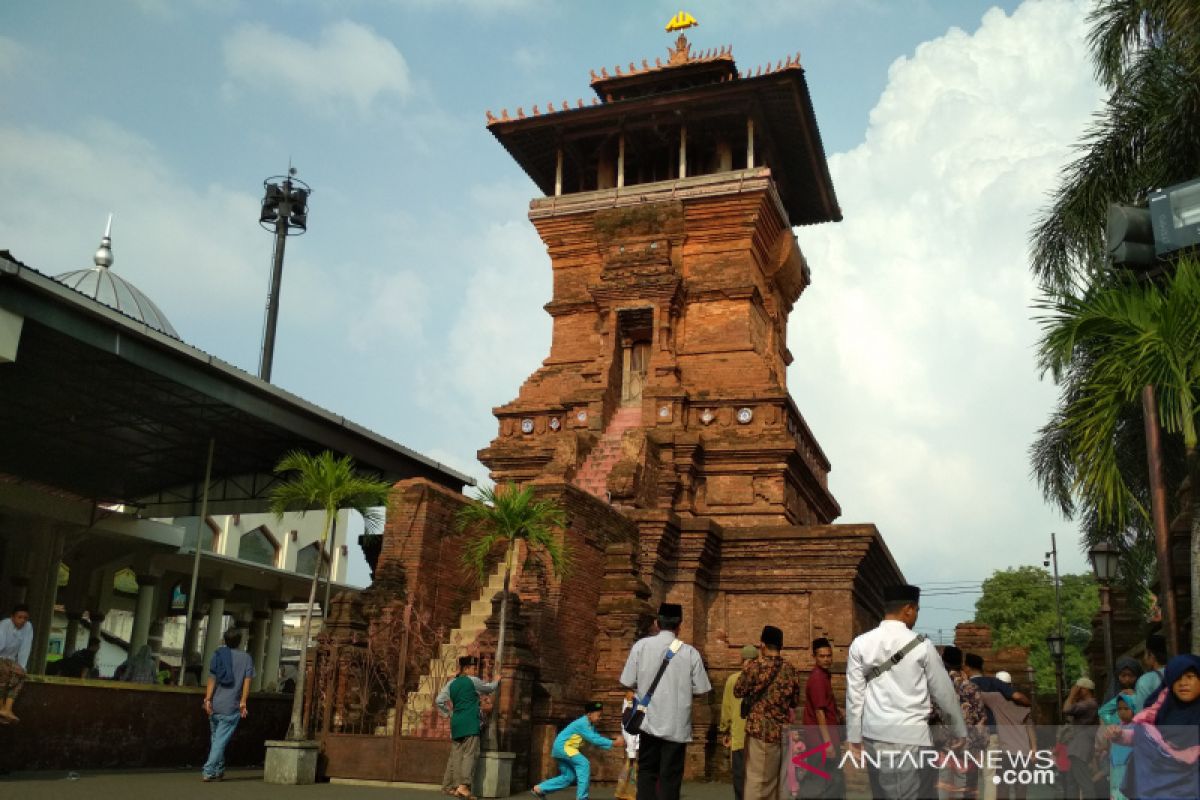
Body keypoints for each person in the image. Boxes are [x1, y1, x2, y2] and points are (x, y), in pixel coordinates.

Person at [845, 584, 966, 800]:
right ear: (908, 609)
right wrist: (959, 730)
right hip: (914, 737)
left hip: (875, 737)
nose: (916, 616)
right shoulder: (922, 646)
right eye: (917, 610)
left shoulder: (860, 644)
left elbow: (855, 695)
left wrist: (854, 736)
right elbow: (944, 694)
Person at [620, 602, 712, 800]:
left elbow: (627, 681)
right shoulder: (690, 653)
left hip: (647, 721)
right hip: (676, 725)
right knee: (670, 778)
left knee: (646, 773)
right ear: (680, 625)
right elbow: (702, 688)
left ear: (656, 623)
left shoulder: (641, 646)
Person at [1109, 653, 1200, 800]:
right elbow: (1144, 737)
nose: (1183, 683)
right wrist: (1120, 735)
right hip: (1156, 788)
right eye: (1177, 678)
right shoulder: (1159, 708)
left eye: (1190, 677)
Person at [734, 625, 803, 800]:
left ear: (762, 645)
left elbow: (738, 691)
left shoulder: (756, 667)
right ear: (781, 646)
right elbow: (794, 701)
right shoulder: (791, 670)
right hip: (781, 731)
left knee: (758, 782)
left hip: (760, 731)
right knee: (776, 782)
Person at [436, 655, 500, 800]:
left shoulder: (451, 683)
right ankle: (464, 786)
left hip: (456, 722)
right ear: (466, 668)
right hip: (470, 722)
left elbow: (439, 700)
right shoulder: (473, 681)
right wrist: (497, 680)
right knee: (470, 754)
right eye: (473, 668)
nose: (475, 671)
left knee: (457, 755)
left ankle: (454, 786)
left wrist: (448, 714)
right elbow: (489, 688)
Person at [532, 701, 622, 800]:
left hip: (560, 748)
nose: (600, 718)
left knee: (568, 777)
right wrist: (613, 743)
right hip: (564, 748)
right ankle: (582, 798)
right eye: (599, 715)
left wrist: (613, 743)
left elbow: (596, 737)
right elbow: (594, 739)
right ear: (589, 714)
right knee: (584, 764)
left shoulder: (590, 725)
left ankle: (540, 789)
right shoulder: (582, 723)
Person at [934, 646, 988, 800]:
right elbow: (981, 718)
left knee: (943, 782)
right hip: (966, 742)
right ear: (961, 664)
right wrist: (981, 744)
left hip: (942, 741)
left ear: (943, 662)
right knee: (960, 783)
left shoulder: (937, 686)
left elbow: (930, 712)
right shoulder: (970, 687)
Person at [202, 629, 255, 782]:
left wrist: (207, 700)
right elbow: (247, 682)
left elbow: (212, 678)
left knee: (216, 738)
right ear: (239, 641)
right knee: (219, 740)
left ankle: (219, 769)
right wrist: (243, 702)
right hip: (231, 706)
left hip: (215, 703)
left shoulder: (218, 655)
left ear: (225, 640)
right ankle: (209, 770)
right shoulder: (246, 658)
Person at [978, 671, 1036, 800]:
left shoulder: (996, 698)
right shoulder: (1023, 702)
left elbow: (975, 691)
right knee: (1021, 788)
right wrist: (1034, 749)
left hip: (1006, 751)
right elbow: (1030, 727)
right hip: (1024, 752)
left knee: (1003, 787)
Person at [801, 637, 843, 799]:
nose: (826, 659)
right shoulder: (818, 678)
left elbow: (823, 705)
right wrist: (828, 744)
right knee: (823, 782)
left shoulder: (823, 675)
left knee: (827, 781)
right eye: (822, 656)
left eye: (828, 656)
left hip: (823, 738)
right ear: (814, 657)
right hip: (821, 740)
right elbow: (819, 712)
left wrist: (836, 710)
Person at [719, 645, 757, 800]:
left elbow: (726, 709)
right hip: (756, 737)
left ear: (742, 661)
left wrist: (725, 729)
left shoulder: (733, 680)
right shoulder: (761, 680)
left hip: (738, 736)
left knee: (739, 776)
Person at [1095, 691, 1139, 800]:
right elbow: (1103, 711)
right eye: (1119, 709)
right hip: (1115, 768)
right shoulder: (1115, 725)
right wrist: (1119, 697)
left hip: (1129, 769)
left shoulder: (1140, 726)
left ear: (1134, 707)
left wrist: (1135, 697)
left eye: (1126, 708)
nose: (1122, 712)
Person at [1061, 677, 1100, 799]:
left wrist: (1072, 695)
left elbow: (1066, 709)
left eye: (1078, 688)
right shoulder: (1087, 703)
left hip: (1080, 749)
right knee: (1072, 784)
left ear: (1085, 690)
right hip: (1076, 749)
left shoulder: (1089, 704)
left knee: (1084, 784)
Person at [0, 603, 32, 724]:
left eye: (25, 618)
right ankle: (1, 708)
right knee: (4, 672)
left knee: (22, 674)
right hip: (0, 658)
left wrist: (21, 667)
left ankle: (7, 708)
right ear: (12, 617)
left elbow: (25, 648)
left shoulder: (28, 627)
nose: (22, 620)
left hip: (11, 661)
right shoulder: (4, 625)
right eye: (19, 617)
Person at [1131, 634, 1167, 708]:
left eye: (1145, 653)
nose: (1144, 658)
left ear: (1151, 655)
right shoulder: (1178, 673)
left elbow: (1140, 713)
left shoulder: (1145, 681)